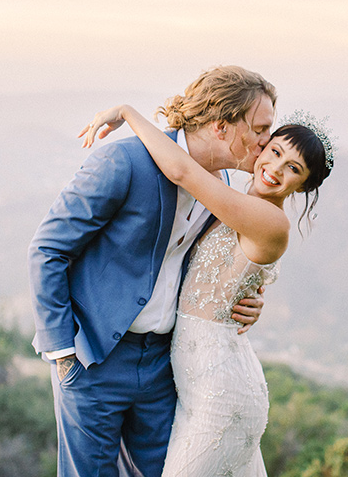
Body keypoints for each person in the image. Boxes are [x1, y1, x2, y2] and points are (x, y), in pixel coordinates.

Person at [28, 66, 277, 477]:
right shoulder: (122, 161)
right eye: (261, 128)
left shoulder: (227, 186)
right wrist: (63, 353)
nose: (268, 141)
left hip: (165, 365)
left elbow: (209, 267)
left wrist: (248, 298)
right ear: (221, 127)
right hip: (94, 359)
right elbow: (47, 250)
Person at [81, 103, 335, 477]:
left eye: (293, 169)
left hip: (224, 395)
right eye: (276, 152)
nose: (276, 169)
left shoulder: (269, 221)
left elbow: (182, 170)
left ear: (304, 184)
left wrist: (128, 114)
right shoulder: (238, 201)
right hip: (194, 390)